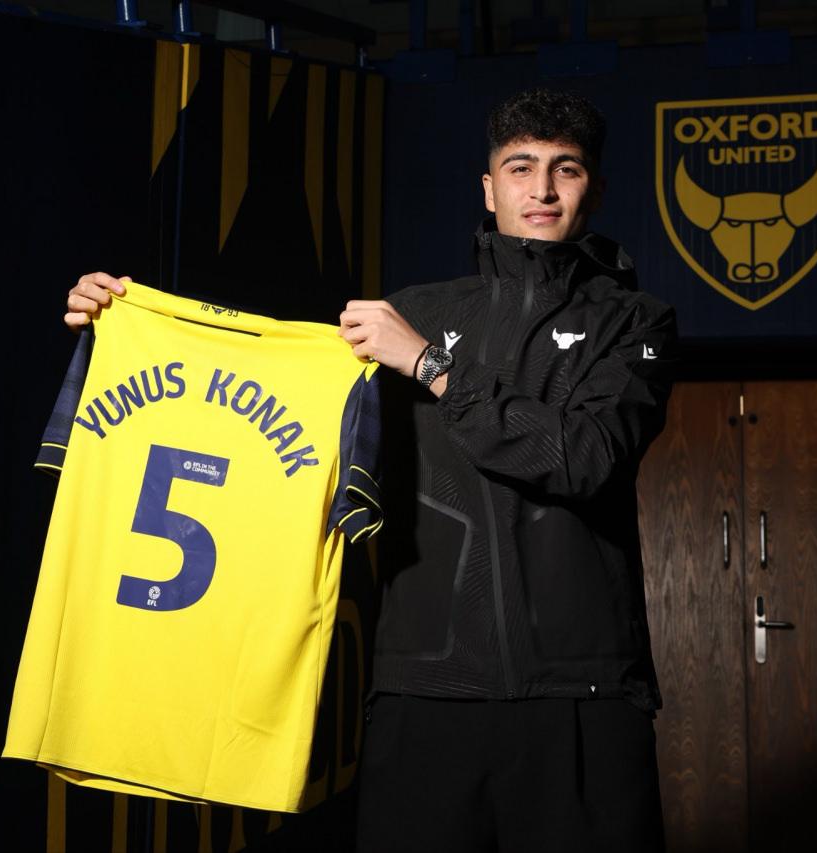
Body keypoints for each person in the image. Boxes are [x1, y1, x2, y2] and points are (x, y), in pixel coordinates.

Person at [64, 88, 675, 852]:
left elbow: (586, 457)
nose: (542, 189)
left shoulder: (635, 321)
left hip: (584, 697)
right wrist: (127, 327)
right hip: (422, 696)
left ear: (595, 190)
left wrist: (430, 364)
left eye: (566, 169)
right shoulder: (411, 310)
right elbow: (268, 409)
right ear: (489, 188)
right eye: (521, 168)